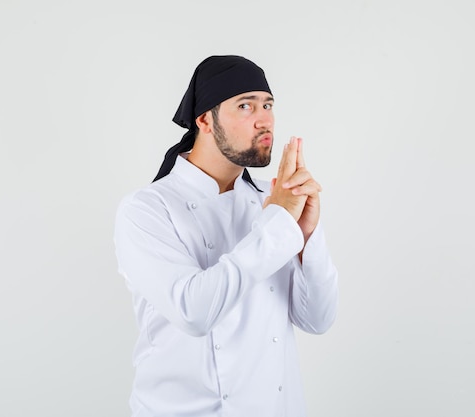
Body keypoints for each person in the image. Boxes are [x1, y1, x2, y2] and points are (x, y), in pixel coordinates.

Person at [114, 55, 338, 417]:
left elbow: (318, 319)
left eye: (267, 104)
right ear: (204, 119)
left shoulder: (277, 200)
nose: (265, 119)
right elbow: (194, 312)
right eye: (245, 105)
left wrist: (306, 239)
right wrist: (278, 223)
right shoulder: (146, 210)